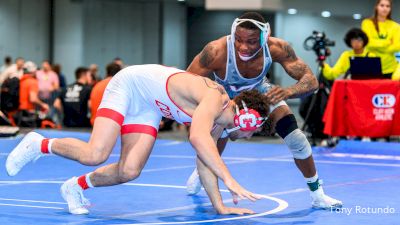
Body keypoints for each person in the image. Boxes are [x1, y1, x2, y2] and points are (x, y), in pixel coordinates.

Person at [6, 64, 268, 215]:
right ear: (246, 120)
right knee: (95, 153)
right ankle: (38, 143)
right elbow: (197, 138)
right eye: (253, 131)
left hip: (149, 106)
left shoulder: (216, 125)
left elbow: (204, 162)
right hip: (130, 86)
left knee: (129, 170)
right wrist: (230, 180)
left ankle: (75, 187)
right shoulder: (213, 99)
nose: (250, 136)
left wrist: (220, 206)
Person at [185, 12, 342, 210]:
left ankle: (318, 195)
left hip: (260, 93)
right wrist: (202, 111)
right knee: (215, 146)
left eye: (251, 41)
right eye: (239, 40)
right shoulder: (216, 50)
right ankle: (201, 172)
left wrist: (288, 91)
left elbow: (311, 81)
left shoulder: (276, 47)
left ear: (264, 37)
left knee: (297, 139)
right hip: (224, 96)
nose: (243, 47)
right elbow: (186, 82)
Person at [362, 0, 400, 78]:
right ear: (376, 7)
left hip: (390, 68)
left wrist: (376, 46)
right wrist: (387, 42)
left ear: (390, 9)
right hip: (371, 66)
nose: (385, 8)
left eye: (387, 6)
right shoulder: (367, 23)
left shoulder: (396, 26)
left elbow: (397, 46)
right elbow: (368, 43)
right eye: (382, 5)